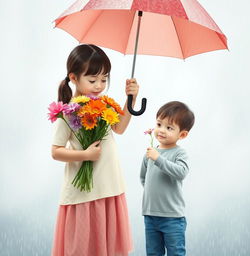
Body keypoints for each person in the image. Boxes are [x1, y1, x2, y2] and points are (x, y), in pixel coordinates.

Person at [51, 44, 139, 256]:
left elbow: (119, 128)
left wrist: (131, 99)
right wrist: (85, 155)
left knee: (108, 249)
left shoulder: (104, 105)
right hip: (84, 194)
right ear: (73, 78)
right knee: (83, 249)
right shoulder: (68, 112)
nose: (99, 85)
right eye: (92, 80)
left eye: (104, 79)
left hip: (109, 185)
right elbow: (56, 151)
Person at [140, 101, 195, 256]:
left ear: (182, 134)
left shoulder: (179, 153)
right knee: (153, 253)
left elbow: (181, 172)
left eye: (169, 127)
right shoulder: (151, 152)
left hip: (172, 217)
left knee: (175, 253)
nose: (161, 130)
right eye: (159, 124)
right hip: (150, 215)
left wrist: (159, 159)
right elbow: (144, 178)